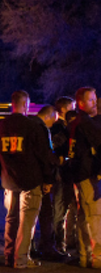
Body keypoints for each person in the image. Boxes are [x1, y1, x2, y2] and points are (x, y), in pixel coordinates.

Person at [0, 91, 55, 268]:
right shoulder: (32, 127)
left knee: (11, 219)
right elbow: (43, 155)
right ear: (26, 104)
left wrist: (3, 174)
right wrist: (47, 179)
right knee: (27, 220)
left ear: (12, 104)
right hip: (30, 180)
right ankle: (21, 259)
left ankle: (9, 255)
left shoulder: (0, 127)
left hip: (9, 180)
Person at [67, 87, 101, 268]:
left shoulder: (75, 122)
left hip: (78, 175)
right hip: (88, 174)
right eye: (91, 99)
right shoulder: (86, 123)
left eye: (95, 98)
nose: (95, 102)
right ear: (81, 102)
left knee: (83, 214)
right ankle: (97, 256)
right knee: (95, 215)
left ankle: (84, 254)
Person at [32, 105, 67, 261]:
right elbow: (46, 154)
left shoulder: (29, 126)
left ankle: (30, 247)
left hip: (27, 177)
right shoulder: (42, 129)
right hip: (40, 177)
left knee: (29, 215)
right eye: (54, 119)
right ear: (48, 116)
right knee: (46, 213)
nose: (54, 123)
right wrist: (49, 177)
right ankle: (47, 247)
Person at [51, 96, 77, 254]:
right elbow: (59, 151)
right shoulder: (59, 129)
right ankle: (59, 242)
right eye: (72, 107)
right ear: (64, 109)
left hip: (64, 172)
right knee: (60, 208)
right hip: (61, 172)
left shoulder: (60, 127)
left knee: (64, 207)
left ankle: (65, 240)